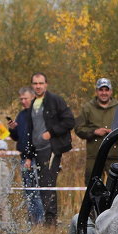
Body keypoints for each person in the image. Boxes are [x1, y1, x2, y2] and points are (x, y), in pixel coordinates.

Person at [28, 72, 76, 225]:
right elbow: (30, 129)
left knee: (48, 183)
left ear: (46, 84)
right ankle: (45, 218)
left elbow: (69, 121)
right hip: (37, 150)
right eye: (35, 83)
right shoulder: (33, 103)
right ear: (32, 85)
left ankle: (51, 221)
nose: (38, 86)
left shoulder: (55, 100)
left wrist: (51, 133)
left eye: (41, 83)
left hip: (52, 149)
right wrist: (29, 154)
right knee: (42, 184)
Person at [7, 86, 44, 224]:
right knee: (28, 191)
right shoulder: (21, 115)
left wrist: (29, 157)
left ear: (33, 97)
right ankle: (32, 220)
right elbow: (18, 137)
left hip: (35, 157)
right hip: (23, 157)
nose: (23, 101)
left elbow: (36, 138)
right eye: (21, 99)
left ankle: (40, 221)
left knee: (36, 190)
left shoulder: (38, 114)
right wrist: (13, 129)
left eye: (25, 98)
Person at [76, 77, 118, 183]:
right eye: (101, 90)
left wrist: (116, 132)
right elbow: (78, 128)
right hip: (94, 156)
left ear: (111, 91)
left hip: (114, 155)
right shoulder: (87, 108)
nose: (104, 93)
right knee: (92, 188)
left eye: (106, 90)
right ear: (96, 91)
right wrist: (94, 132)